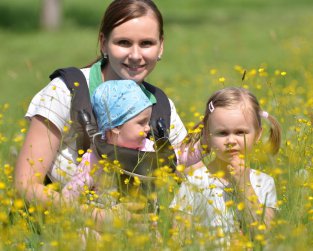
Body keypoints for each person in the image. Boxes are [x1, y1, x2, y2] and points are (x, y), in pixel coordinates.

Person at [15, 0, 191, 219]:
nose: (136, 55)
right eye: (124, 42)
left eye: (146, 43)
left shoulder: (161, 106)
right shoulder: (68, 92)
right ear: (103, 43)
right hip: (63, 226)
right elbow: (25, 185)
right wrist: (96, 218)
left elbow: (195, 175)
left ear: (161, 46)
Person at [170, 87, 281, 243]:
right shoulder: (194, 182)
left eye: (240, 132)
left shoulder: (264, 182)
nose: (231, 141)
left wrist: (244, 185)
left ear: (257, 135)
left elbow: (267, 236)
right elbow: (178, 239)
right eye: (222, 133)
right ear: (207, 136)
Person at [62, 79, 154, 206]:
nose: (148, 128)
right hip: (105, 220)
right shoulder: (96, 158)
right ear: (115, 126)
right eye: (141, 123)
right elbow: (69, 195)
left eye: (148, 122)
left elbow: (174, 161)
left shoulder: (148, 147)